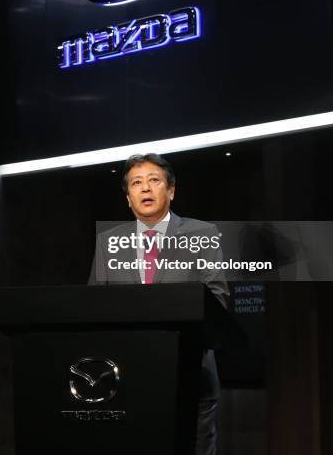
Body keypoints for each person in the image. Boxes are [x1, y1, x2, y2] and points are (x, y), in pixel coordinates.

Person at [88, 153, 229, 455]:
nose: (145, 188)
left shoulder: (202, 233)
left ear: (171, 190)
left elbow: (218, 299)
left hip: (191, 376)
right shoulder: (108, 241)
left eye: (154, 180)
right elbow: (94, 306)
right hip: (128, 379)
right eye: (136, 183)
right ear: (128, 198)